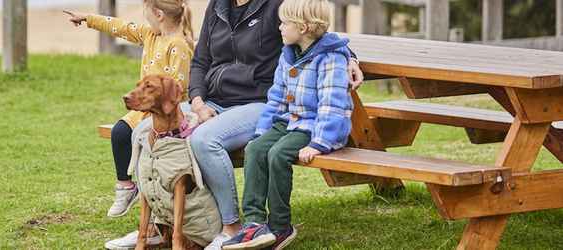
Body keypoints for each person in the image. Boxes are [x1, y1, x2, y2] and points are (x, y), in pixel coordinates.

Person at [107, 0, 364, 248]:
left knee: (204, 140)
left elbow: (317, 33)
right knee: (142, 131)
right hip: (213, 101)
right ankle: (157, 225)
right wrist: (197, 102)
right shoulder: (218, 5)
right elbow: (201, 61)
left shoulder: (276, 5)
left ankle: (230, 227)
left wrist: (350, 59)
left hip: (259, 102)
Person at [221, 0, 352, 249]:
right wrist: (261, 133)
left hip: (315, 127)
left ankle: (281, 226)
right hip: (290, 121)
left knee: (278, 154)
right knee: (256, 149)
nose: (279, 27)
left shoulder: (331, 59)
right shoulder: (288, 54)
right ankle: (254, 224)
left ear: (302, 27)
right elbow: (276, 98)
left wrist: (318, 144)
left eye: (284, 23)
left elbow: (331, 106)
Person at [63, 0, 194, 224]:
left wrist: (153, 107)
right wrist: (88, 18)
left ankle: (157, 213)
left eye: (147, 13)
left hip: (166, 112)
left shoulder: (179, 45)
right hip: (143, 110)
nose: (145, 18)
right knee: (120, 132)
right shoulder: (149, 35)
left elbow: (177, 90)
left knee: (145, 146)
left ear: (159, 14)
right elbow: (121, 27)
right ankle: (126, 187)